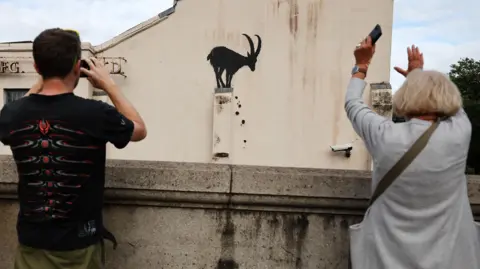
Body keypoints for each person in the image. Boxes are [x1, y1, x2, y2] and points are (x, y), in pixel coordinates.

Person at [0, 28, 147, 268]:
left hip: (31, 247)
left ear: (37, 67)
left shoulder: (12, 114)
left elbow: (15, 115)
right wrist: (109, 85)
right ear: (77, 66)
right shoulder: (95, 113)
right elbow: (139, 129)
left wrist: (41, 82)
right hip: (80, 249)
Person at [346, 36, 480, 268]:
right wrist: (417, 75)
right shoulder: (459, 132)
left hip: (386, 259)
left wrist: (361, 66)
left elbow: (353, 103)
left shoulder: (384, 135)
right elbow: (457, 110)